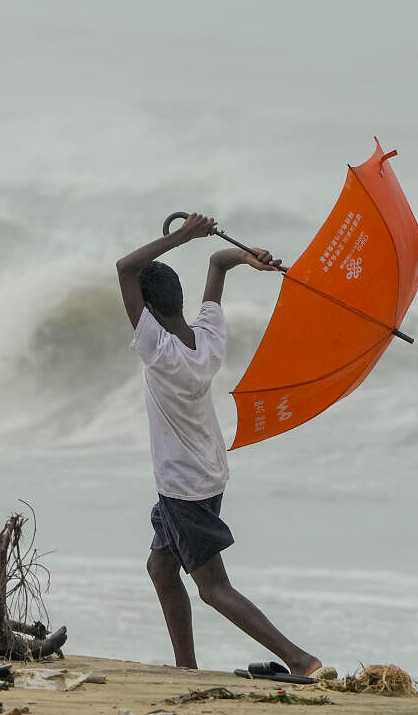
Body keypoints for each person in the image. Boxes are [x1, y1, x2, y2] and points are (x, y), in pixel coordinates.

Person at [115, 212, 322, 677]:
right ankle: (185, 667)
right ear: (181, 299)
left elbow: (125, 269)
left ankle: (300, 660)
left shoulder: (159, 351)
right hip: (207, 474)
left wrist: (184, 235)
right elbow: (217, 263)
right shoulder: (207, 337)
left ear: (145, 311)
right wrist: (248, 258)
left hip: (183, 485)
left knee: (211, 586)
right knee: (161, 568)